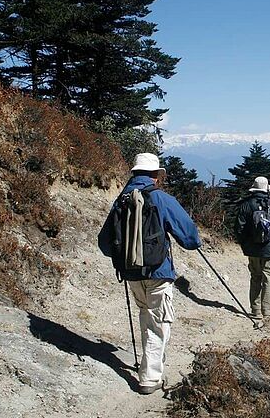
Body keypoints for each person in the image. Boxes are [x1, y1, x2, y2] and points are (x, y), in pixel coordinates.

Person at [98, 153, 201, 395]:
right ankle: (149, 377)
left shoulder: (121, 200)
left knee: (147, 316)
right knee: (158, 323)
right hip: (158, 271)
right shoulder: (161, 199)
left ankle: (150, 364)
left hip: (131, 274)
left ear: (134, 173)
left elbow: (104, 243)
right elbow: (189, 237)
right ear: (156, 176)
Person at [235, 176, 270, 319]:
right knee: (269, 278)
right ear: (267, 189)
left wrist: (244, 243)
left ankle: (255, 310)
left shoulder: (246, 205)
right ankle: (267, 311)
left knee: (255, 277)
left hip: (253, 249)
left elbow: (239, 228)